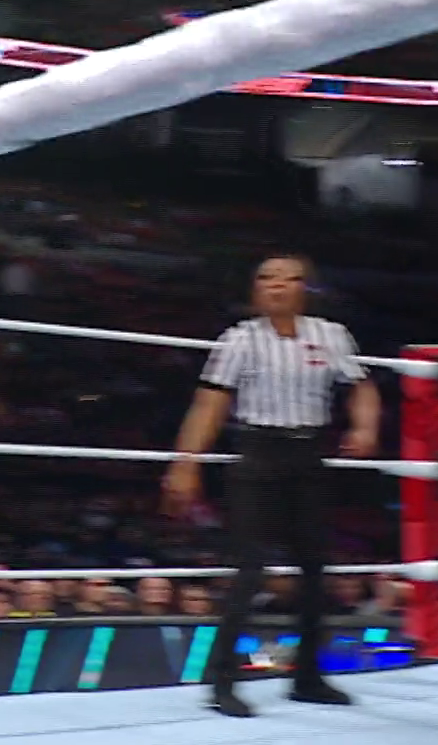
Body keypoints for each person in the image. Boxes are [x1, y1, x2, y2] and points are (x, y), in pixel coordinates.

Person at [161, 253, 380, 718]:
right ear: (255, 288)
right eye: (266, 278)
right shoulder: (238, 339)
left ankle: (307, 678)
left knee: (315, 568)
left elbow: (361, 387)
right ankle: (222, 681)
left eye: (287, 278)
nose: (275, 285)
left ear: (306, 288)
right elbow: (209, 405)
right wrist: (185, 464)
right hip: (258, 453)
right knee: (250, 568)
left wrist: (364, 428)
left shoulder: (332, 335)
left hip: (310, 453)